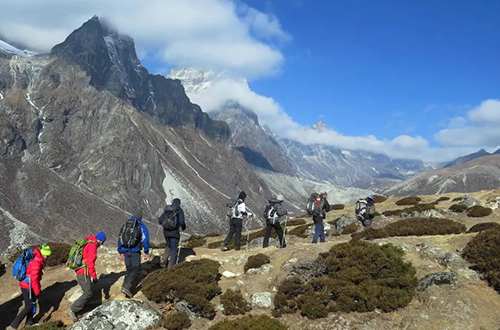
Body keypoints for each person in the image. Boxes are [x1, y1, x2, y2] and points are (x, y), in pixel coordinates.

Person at [8, 244, 51, 330]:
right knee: (29, 306)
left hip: (29, 285)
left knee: (33, 303)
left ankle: (29, 323)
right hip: (27, 286)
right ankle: (13, 326)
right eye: (48, 255)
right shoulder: (37, 263)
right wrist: (37, 291)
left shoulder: (38, 260)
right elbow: (34, 279)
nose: (48, 257)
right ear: (45, 254)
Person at [66, 232, 106, 322]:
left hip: (81, 270)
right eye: (102, 242)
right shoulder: (92, 246)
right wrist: (94, 276)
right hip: (83, 272)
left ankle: (79, 309)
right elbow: (90, 263)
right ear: (99, 240)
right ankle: (73, 309)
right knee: (88, 292)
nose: (102, 244)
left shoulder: (88, 242)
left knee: (87, 291)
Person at [117, 209, 150, 298]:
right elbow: (145, 239)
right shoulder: (140, 225)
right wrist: (146, 251)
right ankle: (127, 287)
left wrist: (120, 250)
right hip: (135, 250)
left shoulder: (126, 223)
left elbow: (120, 237)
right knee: (136, 269)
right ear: (140, 217)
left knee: (129, 269)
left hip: (125, 250)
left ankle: (125, 287)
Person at [158, 198, 186, 268]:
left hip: (166, 232)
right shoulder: (179, 210)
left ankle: (164, 259)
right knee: (174, 249)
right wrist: (183, 227)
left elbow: (160, 220)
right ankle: (170, 266)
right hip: (174, 232)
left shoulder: (167, 209)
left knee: (169, 245)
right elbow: (181, 222)